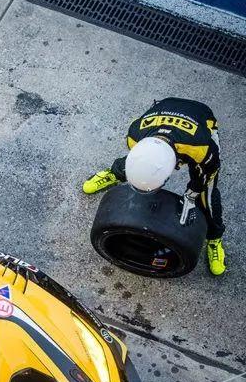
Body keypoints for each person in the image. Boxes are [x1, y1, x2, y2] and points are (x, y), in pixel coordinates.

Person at [82, 98, 226, 276]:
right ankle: (114, 173)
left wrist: (192, 194)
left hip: (201, 119)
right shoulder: (134, 135)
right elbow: (141, 158)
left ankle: (214, 237)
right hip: (163, 112)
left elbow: (206, 174)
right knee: (138, 162)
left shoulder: (201, 148)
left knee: (207, 195)